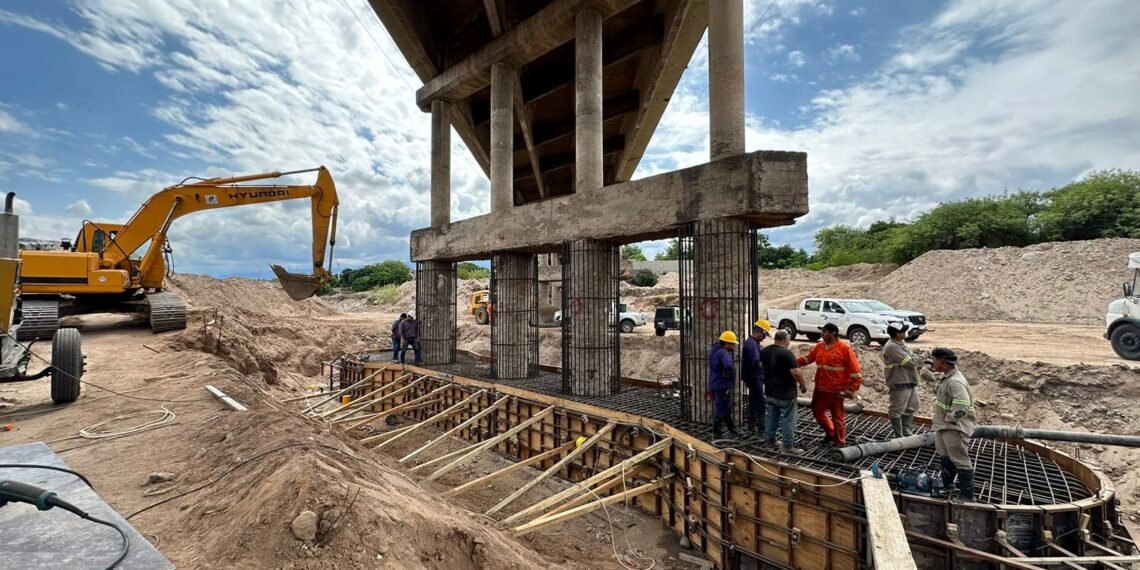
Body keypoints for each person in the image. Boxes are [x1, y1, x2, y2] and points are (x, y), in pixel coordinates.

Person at [798, 322, 863, 447]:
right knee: (817, 411)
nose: (822, 334)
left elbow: (856, 372)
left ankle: (839, 441)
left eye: (825, 332)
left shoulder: (844, 349)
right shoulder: (819, 346)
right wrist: (793, 362)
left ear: (833, 333)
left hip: (836, 390)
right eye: (822, 331)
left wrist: (850, 389)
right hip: (821, 387)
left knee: (837, 416)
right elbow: (808, 358)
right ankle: (831, 432)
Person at [931, 347, 976, 501]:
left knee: (960, 459)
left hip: (954, 428)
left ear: (943, 362)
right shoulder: (948, 378)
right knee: (945, 456)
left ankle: (967, 496)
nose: (933, 363)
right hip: (944, 427)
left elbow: (962, 407)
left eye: (935, 360)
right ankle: (948, 486)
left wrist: (949, 419)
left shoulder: (955, 382)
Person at [761, 330, 809, 454]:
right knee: (788, 419)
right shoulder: (786, 353)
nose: (789, 342)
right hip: (786, 393)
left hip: (770, 391)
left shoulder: (765, 351)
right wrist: (803, 385)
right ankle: (787, 446)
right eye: (788, 339)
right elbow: (796, 372)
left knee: (771, 416)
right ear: (784, 340)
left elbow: (760, 365)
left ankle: (770, 440)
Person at [882, 322, 930, 437]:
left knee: (912, 406)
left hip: (909, 380)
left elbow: (913, 357)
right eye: (903, 331)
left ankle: (905, 430)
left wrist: (920, 359)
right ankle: (899, 435)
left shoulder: (901, 343)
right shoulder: (892, 347)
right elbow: (911, 362)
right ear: (898, 334)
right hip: (899, 382)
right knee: (896, 409)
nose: (905, 332)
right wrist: (926, 354)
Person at [741, 319, 772, 436]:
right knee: (760, 403)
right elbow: (756, 363)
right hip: (754, 377)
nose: (764, 338)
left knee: (753, 401)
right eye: (764, 335)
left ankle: (751, 426)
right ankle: (761, 429)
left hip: (754, 377)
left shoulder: (753, 343)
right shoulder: (751, 345)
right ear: (760, 332)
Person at [708, 330, 740, 439]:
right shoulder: (724, 353)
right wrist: (730, 377)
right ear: (727, 343)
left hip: (714, 382)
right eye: (733, 344)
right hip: (722, 384)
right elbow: (729, 366)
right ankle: (717, 433)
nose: (734, 346)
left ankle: (732, 428)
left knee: (726, 407)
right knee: (721, 407)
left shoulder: (715, 349)